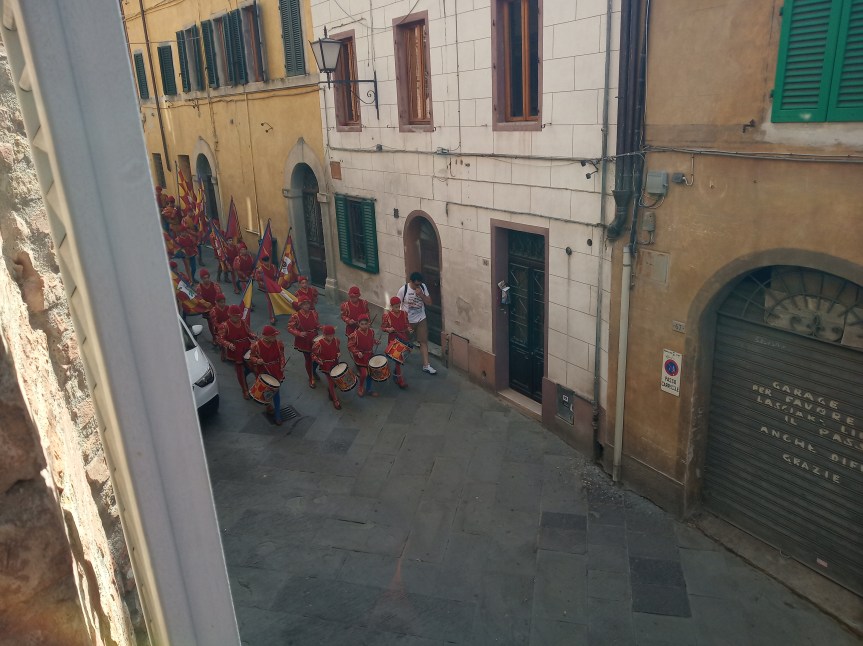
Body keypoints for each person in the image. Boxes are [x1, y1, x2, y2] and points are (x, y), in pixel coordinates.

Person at [397, 272, 437, 374]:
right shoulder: (403, 290)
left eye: (419, 284)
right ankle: (401, 355)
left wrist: (421, 295)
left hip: (421, 319)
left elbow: (429, 302)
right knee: (406, 340)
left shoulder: (423, 287)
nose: (418, 286)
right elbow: (396, 305)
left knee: (423, 341)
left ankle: (426, 365)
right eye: (416, 284)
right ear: (411, 281)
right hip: (408, 321)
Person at [248, 325, 287, 425]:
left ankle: (277, 414)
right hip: (263, 370)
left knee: (276, 392)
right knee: (266, 391)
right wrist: (257, 360)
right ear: (267, 336)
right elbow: (251, 357)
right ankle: (268, 405)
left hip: (276, 370)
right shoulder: (256, 346)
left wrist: (282, 365)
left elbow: (282, 356)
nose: (275, 337)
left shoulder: (278, 344)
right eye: (273, 336)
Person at [216, 304, 256, 399]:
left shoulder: (243, 322)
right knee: (240, 371)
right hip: (236, 350)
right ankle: (245, 390)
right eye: (235, 316)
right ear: (230, 315)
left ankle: (257, 387)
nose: (238, 318)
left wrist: (253, 336)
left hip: (246, 347)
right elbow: (220, 339)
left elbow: (249, 332)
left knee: (254, 366)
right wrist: (229, 344)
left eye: (239, 315)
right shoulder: (224, 326)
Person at [286, 295, 321, 388]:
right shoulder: (295, 316)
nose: (307, 306)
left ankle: (313, 371)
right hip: (304, 340)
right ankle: (311, 377)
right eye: (304, 304)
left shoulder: (314, 313)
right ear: (300, 305)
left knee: (318, 356)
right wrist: (298, 333)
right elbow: (289, 327)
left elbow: (317, 325)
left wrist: (322, 328)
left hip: (315, 338)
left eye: (308, 304)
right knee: (308, 359)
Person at [381, 296, 412, 388]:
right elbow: (383, 328)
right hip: (393, 339)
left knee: (401, 357)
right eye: (396, 307)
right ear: (391, 306)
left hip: (403, 337)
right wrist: (388, 329)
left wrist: (409, 328)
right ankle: (400, 380)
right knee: (398, 360)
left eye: (399, 306)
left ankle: (395, 373)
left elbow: (406, 324)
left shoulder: (404, 314)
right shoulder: (387, 316)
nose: (398, 309)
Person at [348, 314, 380, 397]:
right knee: (364, 374)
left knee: (370, 372)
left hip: (369, 355)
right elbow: (350, 346)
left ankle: (369, 389)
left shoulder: (371, 331)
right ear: (358, 324)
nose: (364, 326)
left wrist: (375, 341)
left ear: (368, 323)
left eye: (366, 324)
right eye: (362, 324)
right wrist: (357, 352)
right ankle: (361, 387)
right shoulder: (355, 335)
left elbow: (371, 339)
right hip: (360, 357)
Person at [312, 324, 343, 410]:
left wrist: (339, 353)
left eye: (332, 335)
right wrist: (319, 361)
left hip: (335, 363)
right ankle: (335, 400)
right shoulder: (318, 344)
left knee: (335, 380)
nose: (331, 337)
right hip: (326, 365)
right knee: (331, 382)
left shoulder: (336, 340)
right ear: (324, 335)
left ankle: (330, 391)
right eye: (329, 336)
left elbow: (337, 350)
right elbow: (313, 355)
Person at [196, 269, 224, 343]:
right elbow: (198, 299)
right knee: (211, 324)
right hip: (207, 310)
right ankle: (214, 338)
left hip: (216, 308)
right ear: (201, 279)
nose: (206, 279)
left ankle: (221, 336)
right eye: (204, 278)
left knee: (219, 322)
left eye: (207, 277)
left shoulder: (215, 285)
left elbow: (220, 297)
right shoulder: (199, 288)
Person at [254, 256, 279, 324]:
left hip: (273, 286)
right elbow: (258, 279)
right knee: (270, 301)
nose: (267, 263)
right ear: (263, 262)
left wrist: (275, 283)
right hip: (266, 287)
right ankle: (271, 317)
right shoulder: (260, 269)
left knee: (274, 300)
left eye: (268, 261)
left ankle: (274, 314)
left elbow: (277, 275)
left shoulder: (273, 266)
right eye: (265, 261)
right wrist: (265, 285)